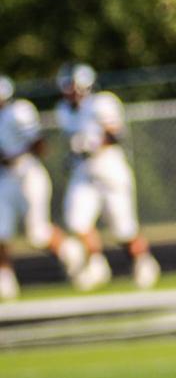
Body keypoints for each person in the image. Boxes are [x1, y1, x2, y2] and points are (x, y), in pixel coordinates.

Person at [53, 64, 159, 289]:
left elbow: (116, 134)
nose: (68, 92)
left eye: (71, 86)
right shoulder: (63, 110)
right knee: (77, 221)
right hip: (83, 170)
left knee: (123, 229)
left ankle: (143, 261)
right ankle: (96, 264)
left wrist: (91, 144)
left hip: (109, 167)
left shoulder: (103, 102)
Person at [0, 75, 85, 297]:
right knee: (1, 232)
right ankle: (5, 280)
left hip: (28, 173)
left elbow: (39, 145)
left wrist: (13, 156)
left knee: (37, 234)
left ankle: (72, 252)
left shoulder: (18, 111)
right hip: (5, 178)